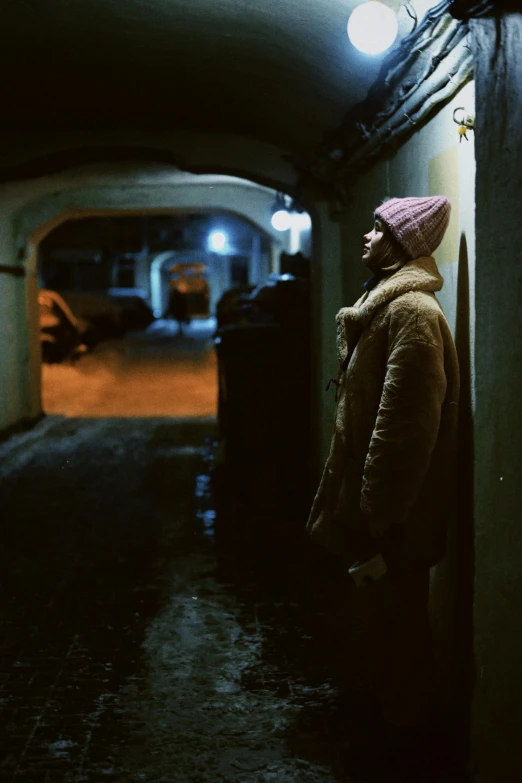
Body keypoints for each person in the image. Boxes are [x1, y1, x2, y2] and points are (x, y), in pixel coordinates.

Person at [306, 196, 460, 759]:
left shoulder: (412, 314)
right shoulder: (386, 305)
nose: (367, 238)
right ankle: (392, 724)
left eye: (379, 229)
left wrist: (379, 514)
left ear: (403, 244)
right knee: (384, 625)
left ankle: (405, 744)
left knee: (400, 629)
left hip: (395, 515)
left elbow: (405, 426)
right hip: (380, 511)